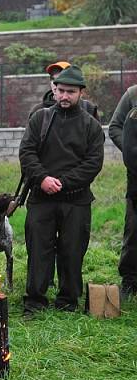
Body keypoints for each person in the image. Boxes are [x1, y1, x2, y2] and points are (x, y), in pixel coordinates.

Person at [19, 65, 104, 313]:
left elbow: (93, 164)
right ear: (54, 91)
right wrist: (43, 178)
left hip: (76, 200)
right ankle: (35, 302)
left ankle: (68, 301)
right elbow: (26, 153)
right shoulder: (40, 118)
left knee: (72, 251)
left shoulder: (91, 125)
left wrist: (64, 182)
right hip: (41, 197)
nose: (65, 96)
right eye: (61, 90)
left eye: (71, 92)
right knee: (38, 251)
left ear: (80, 93)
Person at [108, 83, 137, 296]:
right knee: (134, 229)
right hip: (136, 176)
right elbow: (115, 127)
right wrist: (131, 150)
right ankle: (130, 280)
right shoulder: (133, 94)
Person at [29, 61, 99, 121]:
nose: (56, 84)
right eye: (54, 80)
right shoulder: (38, 111)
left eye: (61, 80)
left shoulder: (88, 108)